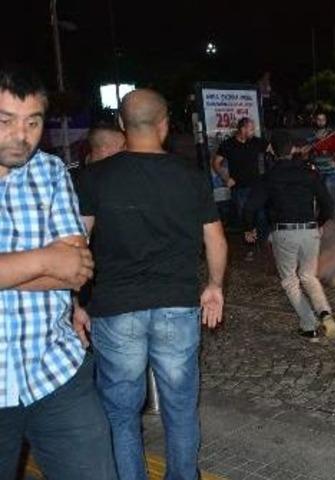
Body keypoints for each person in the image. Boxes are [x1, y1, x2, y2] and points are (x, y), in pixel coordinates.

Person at [76, 89, 228, 480]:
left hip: (115, 306)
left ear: (123, 127)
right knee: (180, 410)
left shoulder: (94, 177)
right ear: (164, 126)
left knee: (122, 414)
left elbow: (78, 244)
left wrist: (75, 302)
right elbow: (214, 238)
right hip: (177, 305)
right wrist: (214, 285)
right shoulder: (190, 178)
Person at [0, 66, 117, 479]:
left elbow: (77, 269)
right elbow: (60, 264)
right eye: (6, 120)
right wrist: (46, 260)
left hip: (55, 369)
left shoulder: (49, 171)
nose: (21, 135)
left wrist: (38, 267)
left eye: (32, 121)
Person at [243, 134, 335, 342]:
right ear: (293, 149)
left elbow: (250, 206)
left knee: (290, 280)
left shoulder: (269, 177)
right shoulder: (309, 173)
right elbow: (329, 205)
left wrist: (249, 228)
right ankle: (324, 312)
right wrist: (319, 224)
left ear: (272, 152)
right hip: (310, 230)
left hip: (284, 232)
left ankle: (309, 324)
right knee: (308, 276)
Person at [211, 117, 271, 259]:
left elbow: (273, 149)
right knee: (245, 217)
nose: (253, 131)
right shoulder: (228, 144)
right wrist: (226, 178)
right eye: (250, 129)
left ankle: (263, 244)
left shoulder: (256, 141)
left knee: (262, 216)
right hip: (239, 188)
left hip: (257, 186)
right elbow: (216, 163)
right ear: (242, 129)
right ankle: (249, 248)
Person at [306, 111, 335, 202]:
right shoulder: (311, 135)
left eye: (323, 119)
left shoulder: (331, 134)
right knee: (319, 198)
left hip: (330, 171)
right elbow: (307, 150)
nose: (321, 122)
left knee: (329, 197)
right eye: (319, 120)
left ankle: (331, 216)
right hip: (317, 171)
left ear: (326, 120)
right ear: (315, 121)